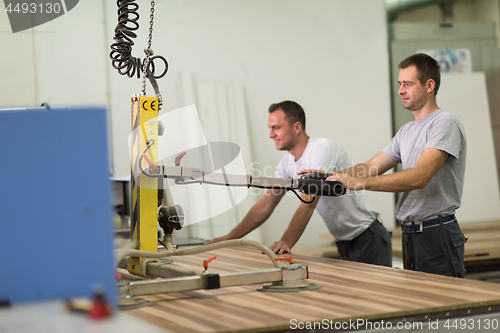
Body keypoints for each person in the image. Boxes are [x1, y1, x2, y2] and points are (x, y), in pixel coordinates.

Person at [318, 53, 467, 278]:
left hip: (437, 234)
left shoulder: (444, 123)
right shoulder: (406, 131)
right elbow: (370, 167)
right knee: (419, 308)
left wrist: (359, 183)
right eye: (400, 84)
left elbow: (419, 177)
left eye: (407, 84)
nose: (400, 91)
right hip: (411, 235)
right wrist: (329, 176)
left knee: (443, 310)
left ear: (429, 85)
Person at [207, 100, 392, 267]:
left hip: (369, 237)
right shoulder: (286, 163)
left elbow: (308, 203)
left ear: (296, 127)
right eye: (270, 128)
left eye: (276, 127)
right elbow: (266, 205)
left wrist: (286, 241)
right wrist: (229, 238)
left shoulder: (322, 150)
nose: (271, 134)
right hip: (344, 241)